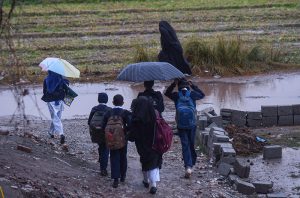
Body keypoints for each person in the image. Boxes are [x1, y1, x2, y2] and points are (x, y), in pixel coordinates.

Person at [164, 79, 205, 178]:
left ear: (179, 86)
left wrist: (173, 83)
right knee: (191, 143)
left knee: (185, 145)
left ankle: (188, 166)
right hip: (192, 124)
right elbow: (202, 94)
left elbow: (166, 93)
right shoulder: (192, 94)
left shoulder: (176, 95)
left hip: (181, 125)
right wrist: (194, 85)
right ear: (188, 85)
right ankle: (191, 163)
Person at [129, 97, 162, 194]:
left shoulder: (136, 118)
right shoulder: (154, 115)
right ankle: (153, 184)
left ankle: (145, 180)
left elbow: (132, 135)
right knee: (154, 162)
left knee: (144, 160)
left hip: (141, 145)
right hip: (154, 143)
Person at [102, 94, 131, 188]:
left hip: (111, 138)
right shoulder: (125, 112)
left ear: (113, 102)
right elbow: (130, 125)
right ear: (123, 102)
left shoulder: (108, 112)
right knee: (123, 156)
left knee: (114, 157)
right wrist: (125, 132)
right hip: (123, 139)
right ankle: (123, 176)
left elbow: (103, 126)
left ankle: (115, 179)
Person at [41, 70, 69, 144]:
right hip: (60, 100)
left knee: (55, 117)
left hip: (50, 100)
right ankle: (50, 132)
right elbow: (67, 88)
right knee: (57, 117)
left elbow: (44, 91)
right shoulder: (62, 78)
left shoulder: (47, 79)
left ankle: (61, 134)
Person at [88, 93, 111, 176]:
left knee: (101, 146)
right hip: (105, 132)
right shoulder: (109, 109)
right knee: (105, 149)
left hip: (96, 132)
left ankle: (101, 160)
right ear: (107, 100)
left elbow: (89, 122)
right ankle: (103, 169)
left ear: (98, 100)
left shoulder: (94, 108)